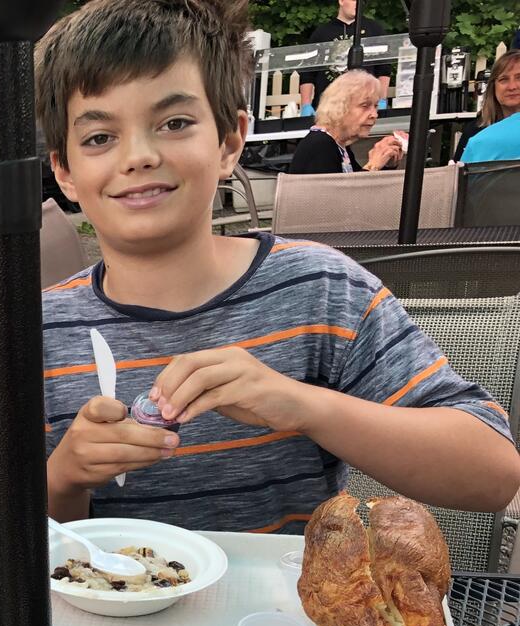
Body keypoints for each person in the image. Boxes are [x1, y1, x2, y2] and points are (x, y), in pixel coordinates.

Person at [34, 0, 520, 533]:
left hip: (287, 611)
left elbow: (494, 472)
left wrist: (305, 406)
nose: (138, 155)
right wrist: (64, 477)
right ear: (65, 171)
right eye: (99, 137)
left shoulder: (320, 290)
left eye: (174, 123)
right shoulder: (43, 331)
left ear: (230, 141)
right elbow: (19, 546)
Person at [289, 69, 403, 174]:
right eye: (365, 106)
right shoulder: (320, 145)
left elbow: (358, 184)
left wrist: (385, 162)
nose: (374, 114)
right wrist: (373, 165)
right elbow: (345, 194)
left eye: (375, 106)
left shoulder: (338, 144)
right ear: (340, 107)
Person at [298, 0, 393, 116]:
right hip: (329, 106)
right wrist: (306, 104)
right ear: (341, 1)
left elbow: (384, 68)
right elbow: (307, 72)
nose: (358, 4)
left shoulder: (374, 30)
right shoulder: (322, 33)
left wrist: (381, 99)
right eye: (354, 0)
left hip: (364, 106)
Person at [457, 50, 520, 162]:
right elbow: (458, 176)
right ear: (493, 87)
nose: (512, 86)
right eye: (503, 79)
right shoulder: (475, 131)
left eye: (519, 78)